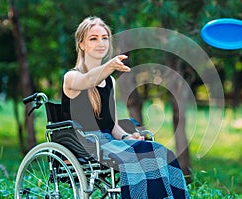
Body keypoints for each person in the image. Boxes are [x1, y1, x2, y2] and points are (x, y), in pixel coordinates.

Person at [61, 16, 189, 199]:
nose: (101, 43)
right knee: (138, 155)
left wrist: (128, 136)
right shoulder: (71, 77)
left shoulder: (110, 82)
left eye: (104, 38)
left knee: (159, 151)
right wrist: (109, 66)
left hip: (108, 141)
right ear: (81, 44)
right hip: (85, 143)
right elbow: (89, 80)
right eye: (93, 38)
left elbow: (112, 126)